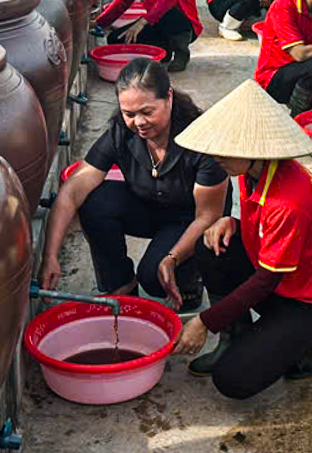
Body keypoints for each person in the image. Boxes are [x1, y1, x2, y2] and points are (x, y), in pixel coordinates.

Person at [172, 80, 312, 397]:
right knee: (211, 244)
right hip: (285, 282)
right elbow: (259, 227)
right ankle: (237, 334)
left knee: (233, 380)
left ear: (255, 149)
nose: (216, 157)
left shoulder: (289, 202)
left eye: (225, 149)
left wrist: (205, 321)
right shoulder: (250, 172)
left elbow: (265, 282)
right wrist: (231, 220)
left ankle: (303, 346)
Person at [41, 59, 227, 312]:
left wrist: (171, 259)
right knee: (95, 201)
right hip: (150, 204)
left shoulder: (201, 139)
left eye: (147, 112)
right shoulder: (122, 131)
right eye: (129, 114)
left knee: (154, 277)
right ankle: (122, 285)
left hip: (191, 218)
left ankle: (191, 282)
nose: (138, 122)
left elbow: (207, 216)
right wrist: (49, 255)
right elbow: (72, 190)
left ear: (169, 97)